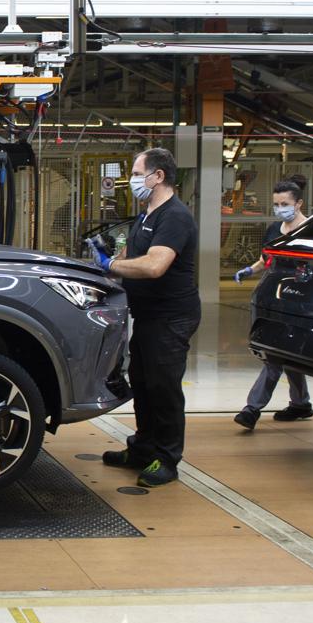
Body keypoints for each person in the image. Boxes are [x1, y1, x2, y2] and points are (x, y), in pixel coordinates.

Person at [87, 147, 200, 488]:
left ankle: (167, 459)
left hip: (171, 317)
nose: (133, 180)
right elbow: (131, 254)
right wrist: (108, 260)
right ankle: (142, 449)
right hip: (149, 316)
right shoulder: (147, 214)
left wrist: (112, 266)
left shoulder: (174, 216)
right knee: (143, 383)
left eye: (137, 174)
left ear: (158, 176)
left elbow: (154, 265)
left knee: (163, 387)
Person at [231, 179, 313, 430]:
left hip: (301, 301)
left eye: (285, 204)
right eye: (276, 204)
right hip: (275, 298)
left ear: (298, 203)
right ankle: (301, 404)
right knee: (289, 354)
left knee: (275, 355)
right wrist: (249, 270)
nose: (280, 209)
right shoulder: (274, 230)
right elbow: (265, 259)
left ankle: (252, 409)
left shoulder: (311, 230)